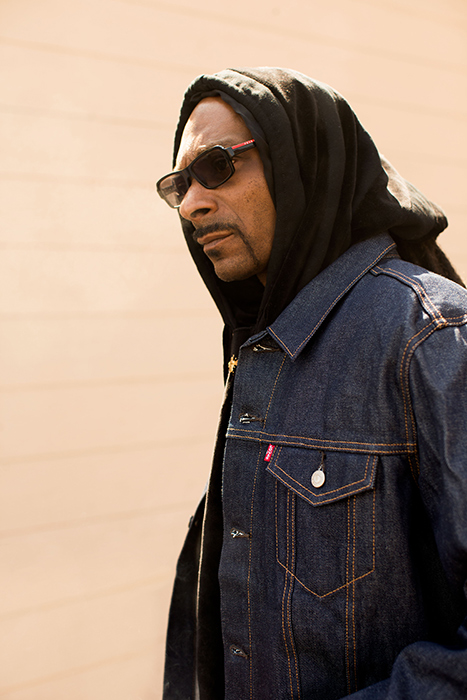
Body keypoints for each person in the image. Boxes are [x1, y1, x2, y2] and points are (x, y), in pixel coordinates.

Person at [156, 67, 467, 699]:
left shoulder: (430, 337)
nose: (191, 205)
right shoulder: (261, 344)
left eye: (217, 167)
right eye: (179, 184)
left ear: (305, 164)